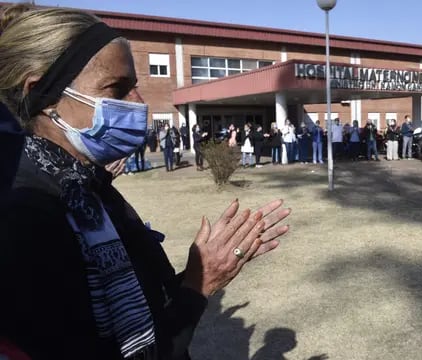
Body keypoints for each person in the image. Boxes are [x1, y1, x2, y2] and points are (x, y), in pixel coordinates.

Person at [0, 5, 292, 359]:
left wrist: (205, 270)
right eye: (118, 88)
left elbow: (147, 303)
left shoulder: (86, 188)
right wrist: (199, 286)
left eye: (136, 86)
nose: (139, 104)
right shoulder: (25, 215)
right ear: (43, 96)